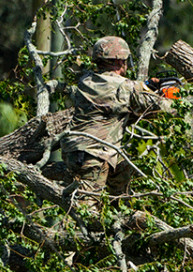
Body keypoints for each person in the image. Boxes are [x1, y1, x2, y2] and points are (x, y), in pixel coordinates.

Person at [61, 36, 169, 202]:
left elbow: (116, 98)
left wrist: (145, 85)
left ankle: (119, 209)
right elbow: (160, 108)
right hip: (93, 156)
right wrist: (172, 92)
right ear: (120, 62)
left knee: (123, 167)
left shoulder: (85, 80)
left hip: (73, 150)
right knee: (87, 211)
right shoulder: (124, 87)